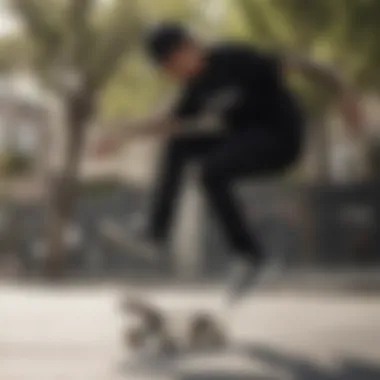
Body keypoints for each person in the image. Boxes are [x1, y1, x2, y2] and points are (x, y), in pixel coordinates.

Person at [94, 23, 362, 305]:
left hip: (282, 138)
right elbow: (168, 123)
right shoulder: (194, 88)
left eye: (172, 65)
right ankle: (161, 235)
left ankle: (248, 255)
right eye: (166, 70)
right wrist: (121, 136)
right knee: (180, 146)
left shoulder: (235, 58)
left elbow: (305, 65)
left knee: (212, 170)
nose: (172, 74)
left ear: (188, 48)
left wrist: (345, 92)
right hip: (244, 139)